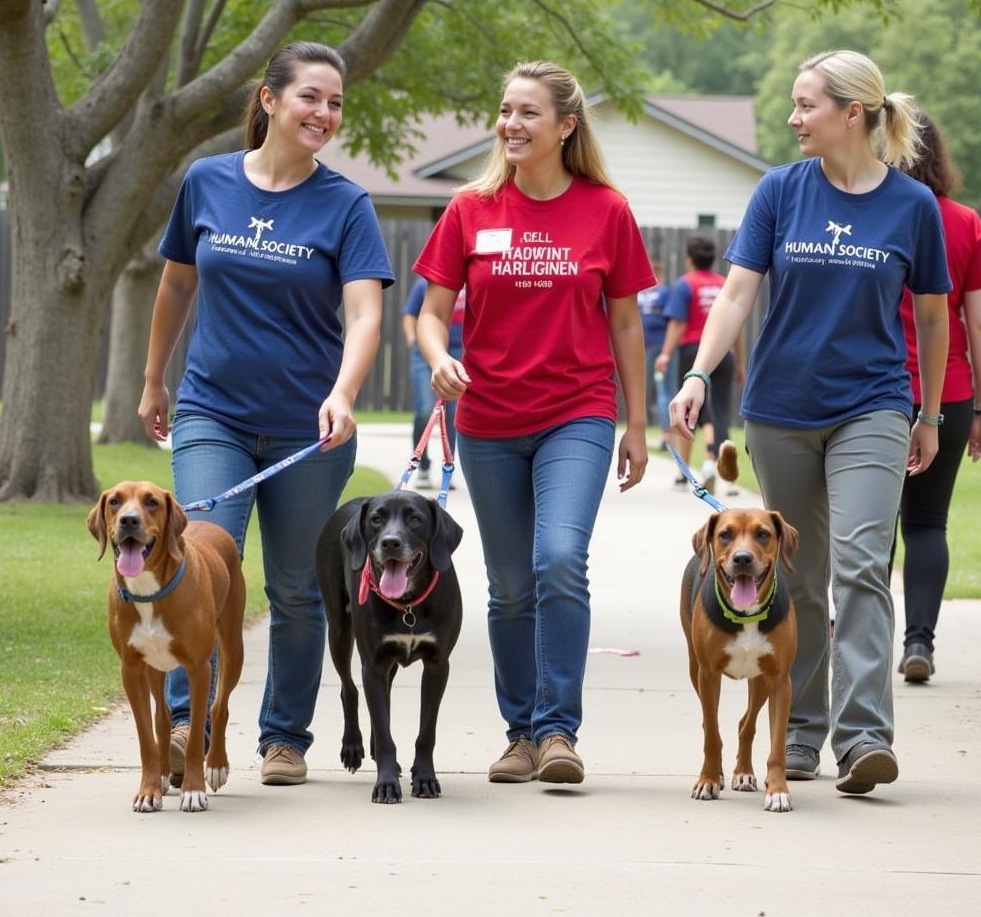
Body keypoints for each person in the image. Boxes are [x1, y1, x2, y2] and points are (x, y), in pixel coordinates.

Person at [671, 49, 950, 796]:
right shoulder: (779, 192)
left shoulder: (911, 207)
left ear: (850, 113)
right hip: (781, 408)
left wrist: (931, 410)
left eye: (805, 105)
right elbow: (734, 295)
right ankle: (798, 734)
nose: (793, 119)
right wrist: (699, 372)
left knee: (862, 564)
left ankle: (864, 740)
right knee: (799, 573)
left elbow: (931, 313)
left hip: (875, 403)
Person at [138, 41, 394, 787]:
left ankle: (283, 737)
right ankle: (190, 718)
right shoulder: (207, 182)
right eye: (312, 96)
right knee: (194, 560)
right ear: (270, 99)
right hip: (211, 408)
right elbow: (176, 286)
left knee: (295, 586)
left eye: (336, 102)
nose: (325, 113)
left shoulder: (345, 204)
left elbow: (365, 313)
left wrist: (343, 391)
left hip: (305, 429)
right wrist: (156, 380)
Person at [413, 60, 656, 786]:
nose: (511, 124)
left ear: (565, 126)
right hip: (488, 418)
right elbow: (429, 313)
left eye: (528, 113)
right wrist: (439, 358)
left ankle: (559, 732)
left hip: (576, 413)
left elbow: (625, 324)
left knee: (558, 559)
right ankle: (519, 732)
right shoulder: (470, 208)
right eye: (505, 110)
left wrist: (637, 425)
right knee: (510, 584)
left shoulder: (605, 209)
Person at [893, 111, 981, 683]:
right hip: (950, 394)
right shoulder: (964, 223)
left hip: (873, 392)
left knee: (869, 523)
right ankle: (919, 643)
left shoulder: (876, 214)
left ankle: (846, 629)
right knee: (928, 523)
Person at [655, 235, 743, 493]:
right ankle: (725, 477)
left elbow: (678, 323)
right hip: (725, 353)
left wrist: (665, 354)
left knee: (689, 411)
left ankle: (684, 474)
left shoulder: (685, 284)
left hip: (694, 352)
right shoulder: (723, 285)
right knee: (721, 411)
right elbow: (735, 327)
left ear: (689, 259)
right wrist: (740, 362)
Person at [401, 276, 465, 488]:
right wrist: (412, 342)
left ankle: (448, 466)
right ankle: (423, 466)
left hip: (458, 351)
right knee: (424, 410)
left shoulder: (471, 285)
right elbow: (410, 315)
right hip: (425, 352)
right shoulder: (424, 284)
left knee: (453, 415)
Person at [638, 260, 676, 452]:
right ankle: (665, 436)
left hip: (654, 349)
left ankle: (666, 436)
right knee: (662, 392)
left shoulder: (645, 294)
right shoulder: (657, 293)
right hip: (654, 350)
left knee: (661, 392)